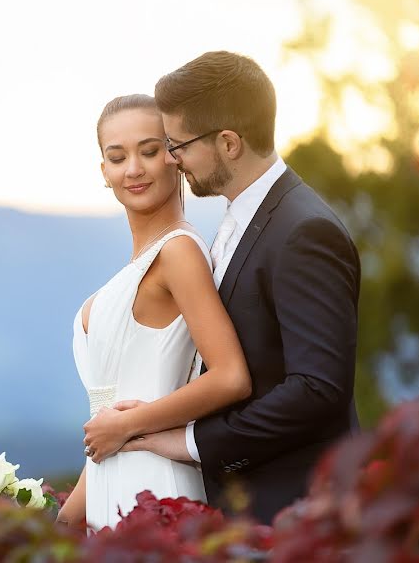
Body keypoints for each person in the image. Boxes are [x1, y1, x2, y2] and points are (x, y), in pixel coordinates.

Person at [118, 51, 361, 525]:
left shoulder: (304, 231)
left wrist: (192, 443)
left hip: (295, 511)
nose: (172, 158)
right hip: (247, 508)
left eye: (178, 144)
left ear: (229, 143)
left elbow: (317, 389)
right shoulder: (242, 219)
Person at [56, 94, 253, 532]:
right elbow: (107, 429)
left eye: (149, 150)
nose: (134, 169)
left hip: (158, 493)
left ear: (175, 157)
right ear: (103, 172)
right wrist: (67, 518)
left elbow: (231, 376)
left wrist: (130, 424)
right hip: (110, 492)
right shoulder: (139, 263)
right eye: (117, 156)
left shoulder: (179, 252)